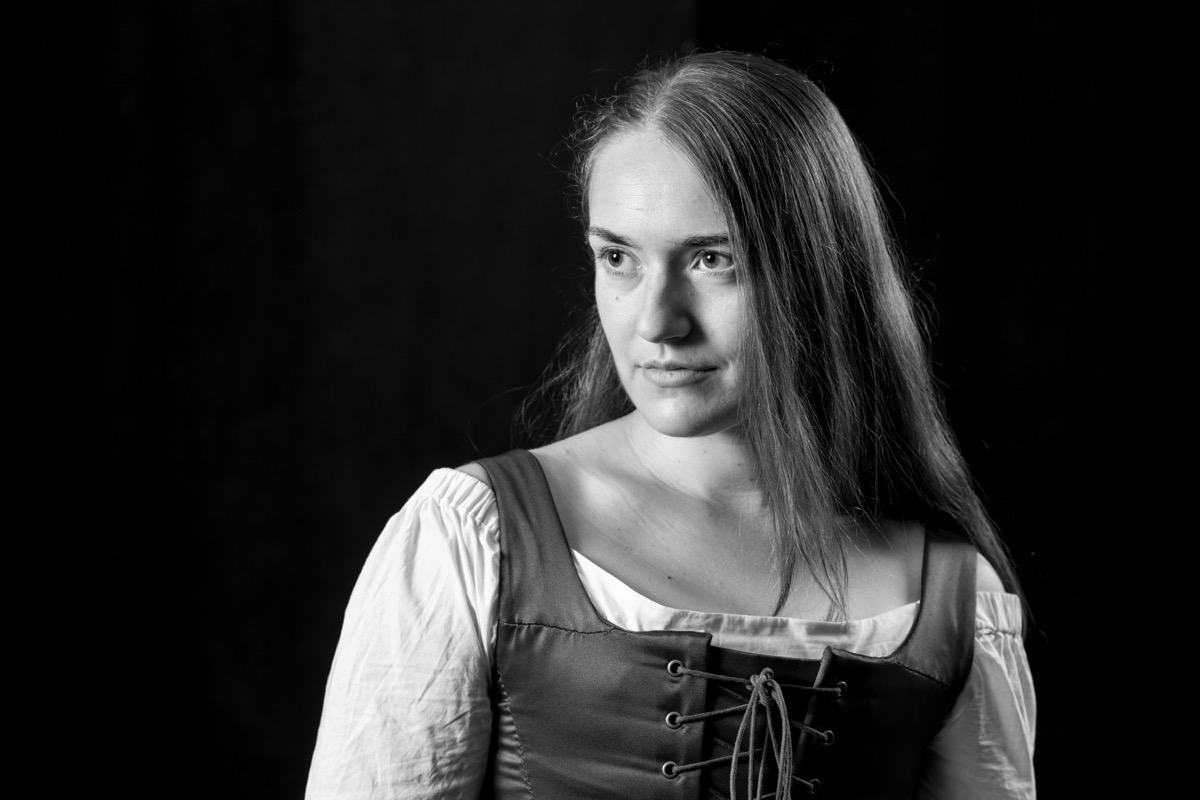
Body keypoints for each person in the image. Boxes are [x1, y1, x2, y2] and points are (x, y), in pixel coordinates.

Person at [305, 51, 1036, 799]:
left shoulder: (953, 598)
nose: (657, 322)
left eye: (714, 259)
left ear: (822, 271)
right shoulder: (474, 538)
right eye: (618, 257)